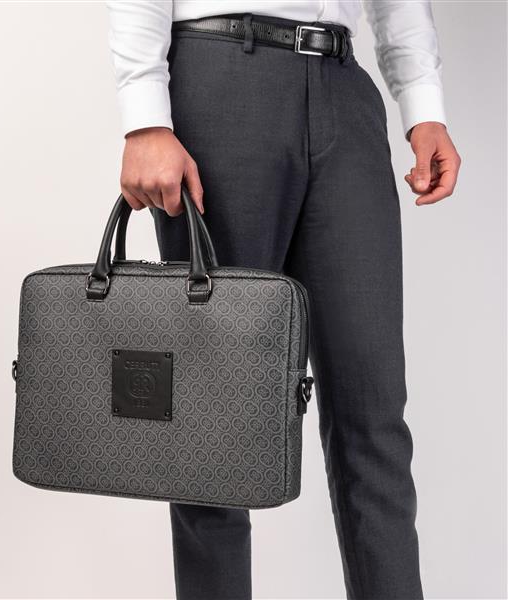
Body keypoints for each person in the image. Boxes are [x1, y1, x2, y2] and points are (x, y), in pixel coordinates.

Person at [105, 2, 461, 599]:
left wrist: (423, 105)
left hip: (344, 89)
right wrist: (144, 118)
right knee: (212, 418)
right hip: (221, 76)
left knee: (374, 409)